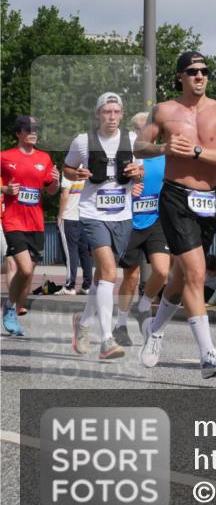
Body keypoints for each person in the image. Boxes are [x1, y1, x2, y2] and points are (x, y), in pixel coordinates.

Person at [134, 51, 216, 378]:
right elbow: (140, 146)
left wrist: (196, 151)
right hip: (175, 197)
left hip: (208, 199)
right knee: (195, 272)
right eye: (193, 71)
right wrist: (164, 148)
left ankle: (154, 330)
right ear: (180, 75)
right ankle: (208, 355)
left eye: (204, 71)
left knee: (181, 277)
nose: (200, 76)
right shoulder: (164, 110)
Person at [63, 94, 144, 359]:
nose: (111, 116)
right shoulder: (83, 141)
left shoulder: (132, 141)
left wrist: (136, 173)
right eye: (106, 111)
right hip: (91, 213)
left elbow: (141, 171)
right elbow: (67, 169)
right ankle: (107, 339)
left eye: (116, 111)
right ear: (98, 114)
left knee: (102, 277)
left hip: (122, 215)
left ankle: (83, 323)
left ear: (121, 114)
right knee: (109, 271)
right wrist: (76, 174)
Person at [115, 112, 171, 346]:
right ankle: (120, 324)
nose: (146, 133)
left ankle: (144, 305)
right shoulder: (127, 157)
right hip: (130, 221)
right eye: (140, 130)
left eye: (149, 129)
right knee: (132, 275)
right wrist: (126, 188)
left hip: (155, 220)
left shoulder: (164, 156)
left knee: (162, 271)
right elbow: (112, 185)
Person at [2, 116, 60, 336]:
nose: (33, 133)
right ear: (18, 133)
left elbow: (51, 191)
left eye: (35, 129)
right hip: (13, 220)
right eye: (28, 129)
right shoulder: (5, 157)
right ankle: (9, 309)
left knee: (29, 272)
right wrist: (4, 191)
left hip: (36, 222)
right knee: (24, 268)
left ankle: (11, 306)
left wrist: (56, 181)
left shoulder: (44, 158)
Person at [55, 171, 92, 295]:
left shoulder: (68, 172)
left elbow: (65, 195)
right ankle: (87, 285)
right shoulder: (88, 170)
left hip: (69, 217)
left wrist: (60, 215)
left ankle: (70, 286)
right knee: (85, 253)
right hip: (85, 217)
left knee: (70, 252)